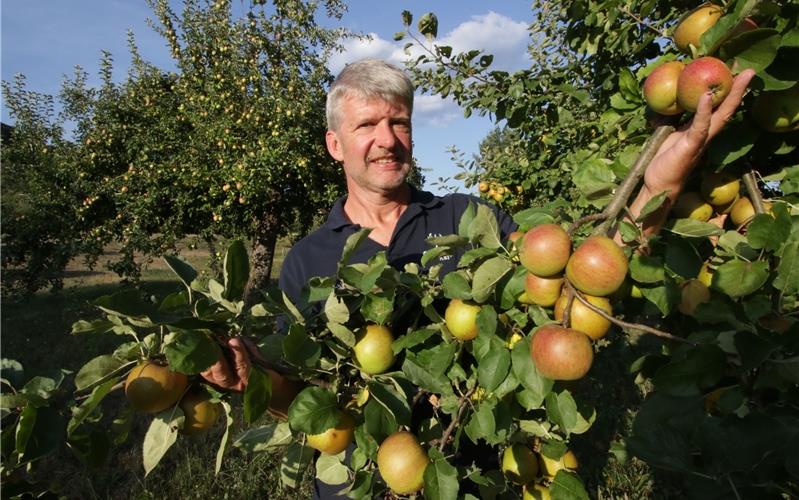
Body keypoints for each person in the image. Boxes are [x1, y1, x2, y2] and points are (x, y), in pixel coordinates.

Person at [202, 58, 755, 492]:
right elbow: (302, 397)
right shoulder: (306, 261)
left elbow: (579, 276)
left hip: (471, 474)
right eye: (367, 124)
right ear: (334, 144)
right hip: (362, 482)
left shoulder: (470, 221)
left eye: (399, 122)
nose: (387, 139)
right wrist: (253, 382)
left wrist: (662, 175)